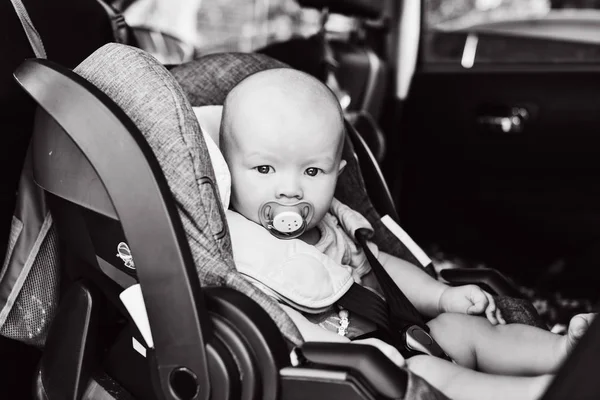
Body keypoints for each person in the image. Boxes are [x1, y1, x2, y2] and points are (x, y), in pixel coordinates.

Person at [217, 67, 594, 400]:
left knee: (461, 327)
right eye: (265, 169)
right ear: (227, 169)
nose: (290, 189)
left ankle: (565, 354)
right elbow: (276, 324)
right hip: (356, 374)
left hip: (401, 337)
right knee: (429, 372)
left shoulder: (333, 227)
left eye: (312, 172)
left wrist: (442, 296)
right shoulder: (241, 253)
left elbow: (382, 269)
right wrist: (361, 356)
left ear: (338, 172)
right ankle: (537, 393)